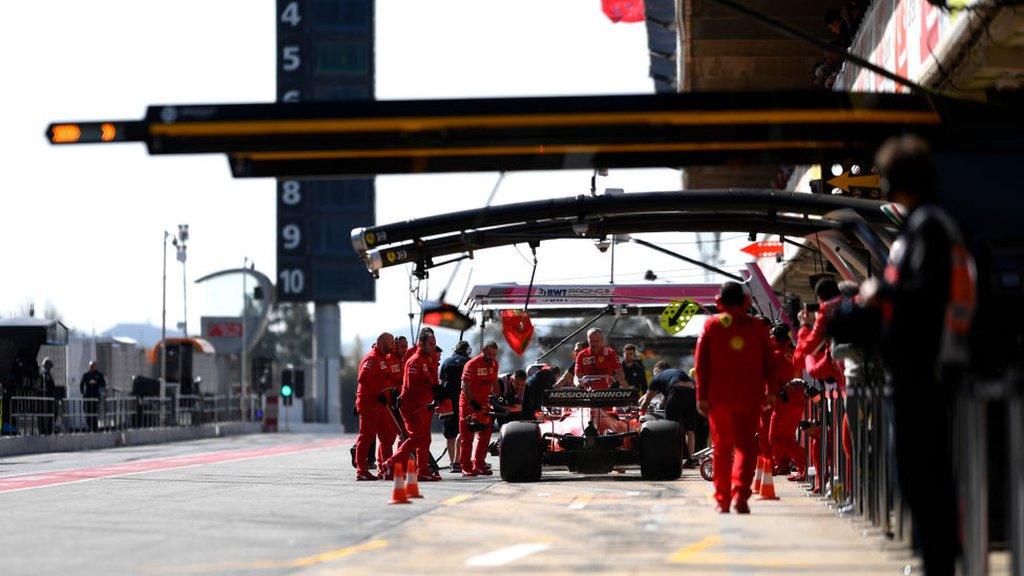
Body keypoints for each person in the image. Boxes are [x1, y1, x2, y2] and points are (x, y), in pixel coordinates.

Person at [859, 134, 974, 576]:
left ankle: (940, 562)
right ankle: (936, 559)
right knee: (918, 476)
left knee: (923, 476)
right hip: (916, 367)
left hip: (924, 369)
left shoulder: (928, 227)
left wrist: (879, 291)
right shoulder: (926, 225)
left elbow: (925, 294)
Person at [695, 281, 772, 514]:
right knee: (746, 448)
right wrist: (772, 392)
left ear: (720, 301)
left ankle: (723, 500)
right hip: (750, 397)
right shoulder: (759, 327)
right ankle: (741, 496)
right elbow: (770, 363)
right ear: (746, 301)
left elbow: (701, 364)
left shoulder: (711, 325)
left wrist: (701, 396)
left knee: (721, 449)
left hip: (719, 399)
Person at [385, 329, 442, 482]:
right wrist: (432, 388)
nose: (433, 347)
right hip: (411, 405)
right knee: (416, 438)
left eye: (434, 344)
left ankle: (422, 470)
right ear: (421, 344)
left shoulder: (430, 359)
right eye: (431, 344)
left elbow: (433, 380)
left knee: (425, 439)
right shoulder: (414, 361)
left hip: (425, 404)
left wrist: (438, 391)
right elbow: (411, 387)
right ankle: (390, 463)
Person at [640, 361, 698, 465]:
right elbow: (665, 399)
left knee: (670, 427)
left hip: (677, 390)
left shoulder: (657, 378)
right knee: (689, 429)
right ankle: (691, 458)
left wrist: (641, 412)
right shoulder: (673, 373)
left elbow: (646, 401)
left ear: (657, 371)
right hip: (692, 391)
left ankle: (672, 458)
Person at [353, 332, 394, 481]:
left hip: (381, 404)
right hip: (369, 403)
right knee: (366, 437)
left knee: (387, 437)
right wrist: (377, 393)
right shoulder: (371, 358)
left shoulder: (384, 358)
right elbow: (362, 379)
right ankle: (361, 470)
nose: (393, 346)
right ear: (383, 343)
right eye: (391, 343)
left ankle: (387, 468)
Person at [459, 341, 499, 477]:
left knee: (485, 435)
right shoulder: (472, 364)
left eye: (494, 354)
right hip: (469, 404)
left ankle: (479, 464)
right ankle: (465, 466)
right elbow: (465, 384)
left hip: (485, 404)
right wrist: (473, 402)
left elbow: (494, 382)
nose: (491, 356)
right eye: (489, 353)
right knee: (467, 436)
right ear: (483, 351)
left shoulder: (494, 364)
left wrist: (499, 398)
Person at [439, 340, 472, 473]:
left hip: (447, 402)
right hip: (463, 401)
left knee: (449, 434)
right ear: (467, 350)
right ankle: (461, 460)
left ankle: (453, 462)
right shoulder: (469, 363)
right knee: (463, 432)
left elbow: (441, 382)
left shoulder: (446, 362)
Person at [377, 335, 408, 470]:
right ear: (395, 346)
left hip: (400, 404)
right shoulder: (389, 360)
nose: (405, 349)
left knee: (404, 434)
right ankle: (382, 463)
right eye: (402, 346)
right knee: (388, 437)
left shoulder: (404, 360)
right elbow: (385, 381)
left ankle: (400, 462)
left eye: (406, 346)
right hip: (389, 404)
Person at [80, 362, 106, 432]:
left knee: (94, 412)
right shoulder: (86, 375)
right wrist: (83, 393)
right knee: (88, 412)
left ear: (95, 366)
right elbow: (81, 385)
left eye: (93, 366)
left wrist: (96, 382)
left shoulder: (99, 374)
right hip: (88, 397)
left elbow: (103, 384)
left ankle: (95, 427)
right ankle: (89, 427)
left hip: (95, 397)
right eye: (91, 366)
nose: (92, 368)